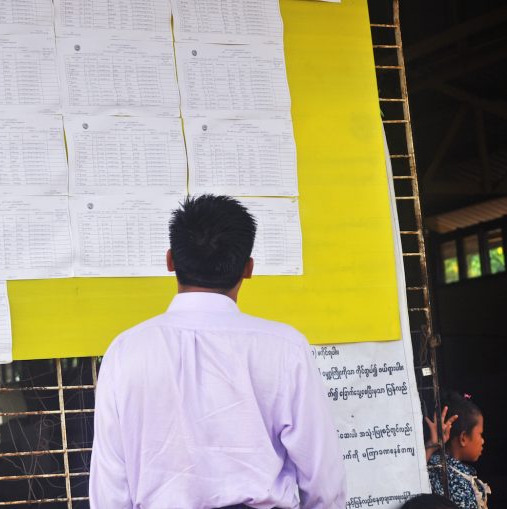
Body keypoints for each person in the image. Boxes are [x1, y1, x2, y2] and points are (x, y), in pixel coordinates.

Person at [89, 195, 346, 509]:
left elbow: (111, 485)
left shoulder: (126, 351)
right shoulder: (285, 348)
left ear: (170, 261)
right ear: (248, 268)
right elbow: (323, 481)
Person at [427, 391, 490, 509]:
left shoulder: (431, 464)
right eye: (480, 434)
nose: (482, 441)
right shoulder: (460, 484)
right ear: (463, 438)